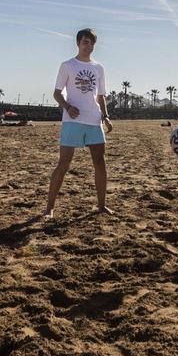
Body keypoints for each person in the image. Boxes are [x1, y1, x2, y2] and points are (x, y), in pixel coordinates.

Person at [42, 29, 114, 218]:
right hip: (72, 121)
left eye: (91, 43)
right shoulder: (67, 65)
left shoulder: (99, 68)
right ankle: (49, 208)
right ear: (78, 43)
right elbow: (57, 93)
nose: (88, 46)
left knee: (100, 162)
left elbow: (100, 95)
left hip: (93, 120)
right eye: (84, 42)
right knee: (64, 164)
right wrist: (67, 106)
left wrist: (105, 116)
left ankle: (101, 206)